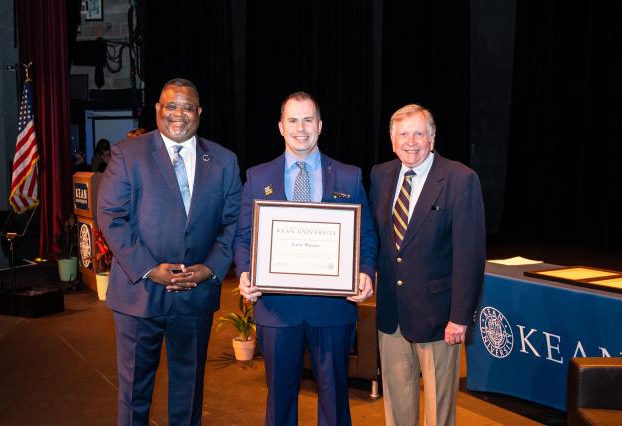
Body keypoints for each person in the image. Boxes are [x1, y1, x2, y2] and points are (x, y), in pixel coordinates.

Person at [97, 77, 242, 425]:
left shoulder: (224, 161)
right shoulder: (127, 154)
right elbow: (111, 217)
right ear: (158, 109)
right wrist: (150, 269)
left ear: (199, 112)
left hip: (195, 296)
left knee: (188, 395)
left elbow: (234, 223)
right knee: (133, 397)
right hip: (138, 295)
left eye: (187, 107)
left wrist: (210, 268)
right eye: (171, 106)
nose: (179, 114)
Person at [234, 91, 378, 425]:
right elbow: (244, 237)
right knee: (280, 400)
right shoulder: (257, 177)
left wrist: (366, 272)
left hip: (332, 308)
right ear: (281, 127)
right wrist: (244, 271)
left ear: (320, 125)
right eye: (294, 120)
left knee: (335, 399)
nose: (302, 128)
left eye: (308, 119)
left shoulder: (349, 176)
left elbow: (366, 235)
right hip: (277, 308)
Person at [369, 104, 486, 426]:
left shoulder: (460, 179)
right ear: (392, 141)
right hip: (392, 314)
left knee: (439, 410)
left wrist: (460, 317)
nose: (411, 141)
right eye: (403, 134)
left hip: (439, 318)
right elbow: (375, 240)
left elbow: (470, 255)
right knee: (397, 405)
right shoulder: (381, 175)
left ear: (432, 138)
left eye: (419, 133)